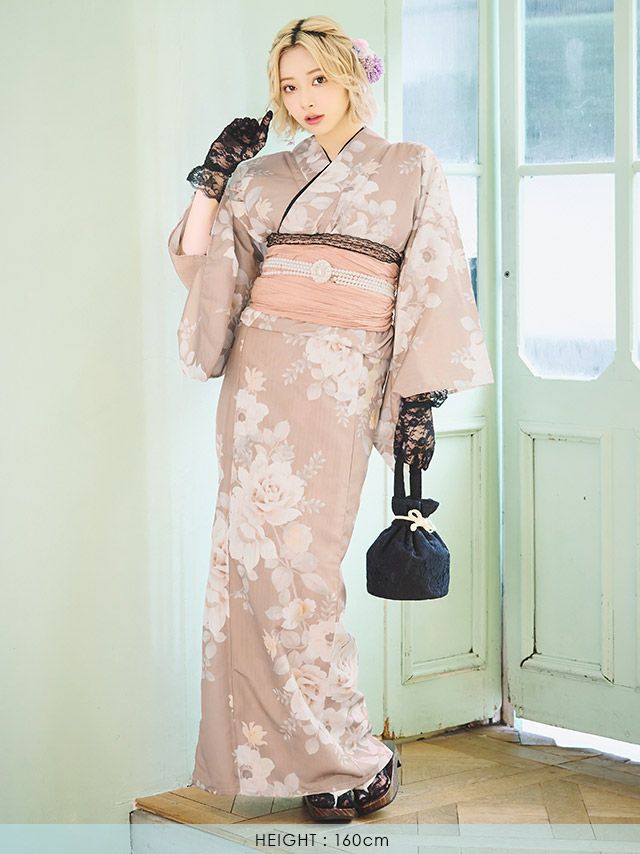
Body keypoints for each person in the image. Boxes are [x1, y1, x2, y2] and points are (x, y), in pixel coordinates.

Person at [167, 15, 494, 822]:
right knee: (253, 576)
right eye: (289, 85)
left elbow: (434, 283)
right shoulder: (262, 177)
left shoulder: (410, 167)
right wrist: (213, 180)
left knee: (308, 579)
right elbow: (205, 269)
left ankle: (350, 753)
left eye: (317, 78)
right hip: (260, 386)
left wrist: (416, 401)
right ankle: (311, 767)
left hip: (344, 381)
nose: (304, 98)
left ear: (352, 75)